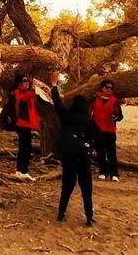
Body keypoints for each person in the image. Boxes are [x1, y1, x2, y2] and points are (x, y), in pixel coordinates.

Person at [49, 71, 94, 226]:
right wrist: (90, 146)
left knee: (67, 186)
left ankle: (61, 214)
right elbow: (97, 137)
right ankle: (89, 216)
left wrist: (54, 85)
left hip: (68, 155)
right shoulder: (88, 121)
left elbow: (57, 104)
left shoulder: (66, 116)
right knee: (86, 187)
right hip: (83, 156)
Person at [89, 79, 123, 181]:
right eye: (107, 87)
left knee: (111, 153)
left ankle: (114, 174)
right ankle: (103, 171)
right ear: (102, 88)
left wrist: (115, 118)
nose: (109, 89)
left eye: (111, 88)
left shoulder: (115, 101)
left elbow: (120, 116)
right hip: (98, 130)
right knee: (100, 152)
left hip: (110, 131)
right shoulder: (94, 99)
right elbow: (89, 112)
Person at [12, 73, 39, 181]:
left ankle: (19, 171)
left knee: (23, 148)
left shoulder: (24, 93)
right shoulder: (19, 94)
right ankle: (23, 171)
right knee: (26, 149)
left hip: (24, 125)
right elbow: (33, 93)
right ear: (19, 83)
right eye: (24, 80)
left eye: (27, 80)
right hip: (23, 125)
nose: (27, 82)